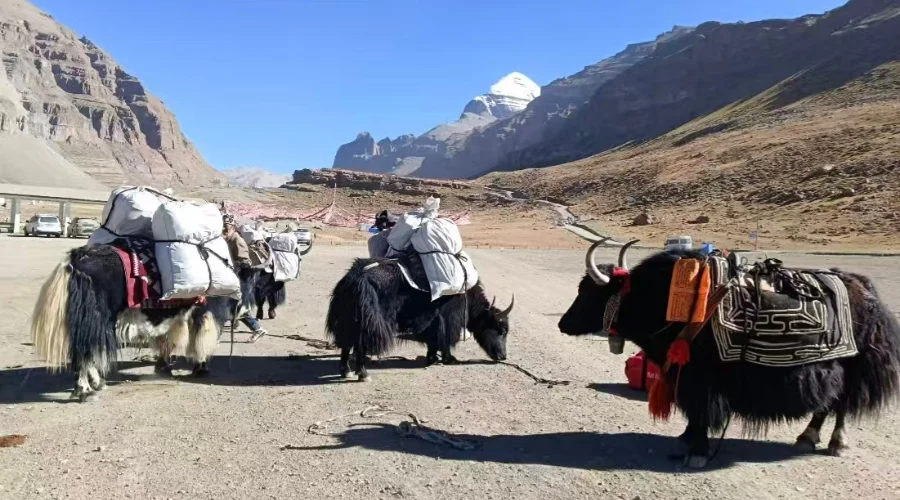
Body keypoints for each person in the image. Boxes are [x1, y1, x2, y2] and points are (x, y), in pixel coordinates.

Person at [222, 213, 267, 343]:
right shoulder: (226, 239)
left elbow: (244, 262)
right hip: (230, 278)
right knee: (230, 306)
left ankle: (257, 329)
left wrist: (233, 267)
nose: (225, 228)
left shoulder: (237, 239)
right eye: (223, 225)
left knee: (237, 307)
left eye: (228, 225)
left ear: (233, 226)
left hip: (241, 278)